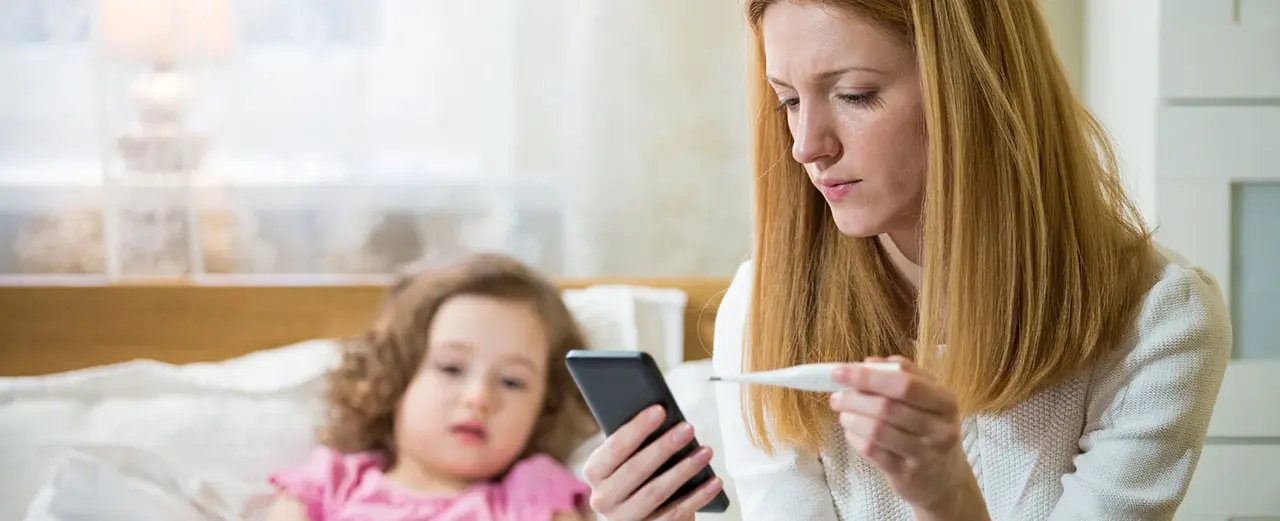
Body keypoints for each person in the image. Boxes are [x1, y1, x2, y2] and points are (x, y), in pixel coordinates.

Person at [580, 1, 1233, 520]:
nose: (806, 145)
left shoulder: (1162, 320)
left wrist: (948, 499)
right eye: (789, 100)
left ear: (976, 88)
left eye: (855, 94)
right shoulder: (763, 308)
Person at [264, 254, 599, 521]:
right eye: (451, 368)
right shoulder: (328, 482)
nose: (478, 398)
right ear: (396, 378)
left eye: (512, 381)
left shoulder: (535, 494)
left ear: (545, 407)